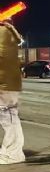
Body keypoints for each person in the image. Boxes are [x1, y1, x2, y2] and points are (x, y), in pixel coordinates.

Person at [0, 19, 25, 164]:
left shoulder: (2, 33)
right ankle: (11, 151)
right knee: (11, 118)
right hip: (9, 84)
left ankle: (12, 154)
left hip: (4, 85)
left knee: (8, 119)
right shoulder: (10, 34)